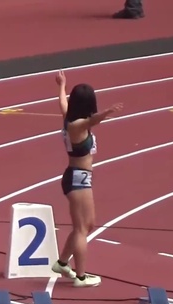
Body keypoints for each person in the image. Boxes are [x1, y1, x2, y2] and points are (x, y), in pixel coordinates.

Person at [51, 70, 123, 287]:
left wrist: (61, 86)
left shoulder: (69, 118)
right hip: (77, 179)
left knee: (87, 225)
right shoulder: (76, 126)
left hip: (80, 178)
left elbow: (63, 103)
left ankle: (63, 263)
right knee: (82, 228)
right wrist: (107, 112)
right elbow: (93, 120)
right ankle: (81, 277)